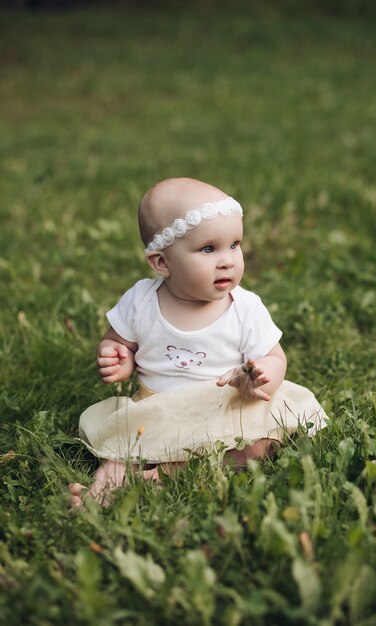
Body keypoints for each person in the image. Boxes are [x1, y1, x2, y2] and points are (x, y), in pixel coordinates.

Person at [68, 177, 327, 507]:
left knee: (259, 445)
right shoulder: (141, 302)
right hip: (159, 409)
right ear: (162, 262)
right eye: (208, 249)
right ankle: (95, 497)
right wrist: (117, 356)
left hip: (227, 405)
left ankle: (159, 476)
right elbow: (120, 341)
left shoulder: (245, 308)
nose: (228, 260)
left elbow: (275, 358)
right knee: (124, 452)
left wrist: (258, 377)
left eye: (234, 244)